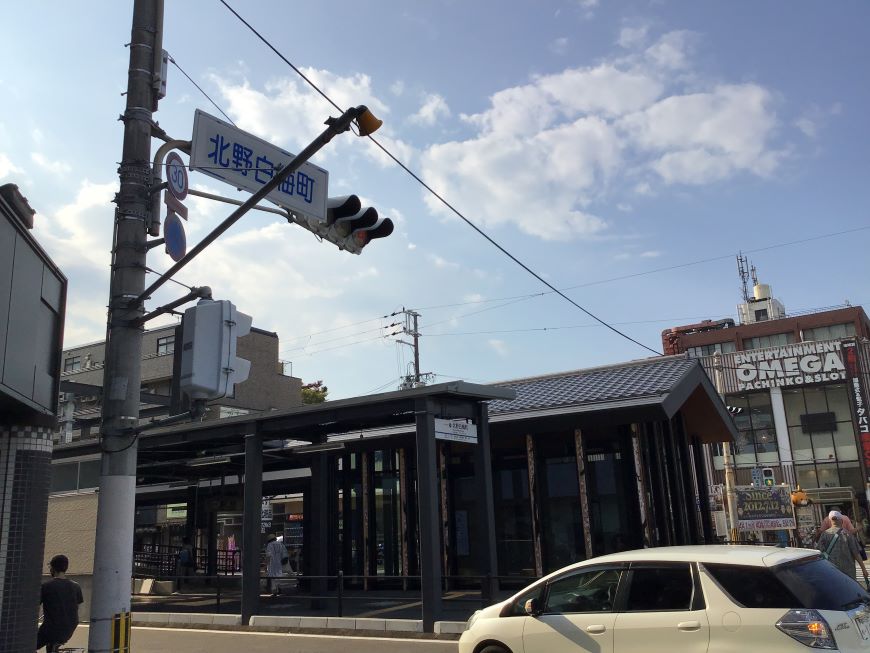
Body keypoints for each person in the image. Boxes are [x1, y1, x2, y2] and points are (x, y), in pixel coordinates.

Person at [38, 554, 83, 652]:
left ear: (53, 568)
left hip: (51, 629)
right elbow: (76, 607)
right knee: (52, 644)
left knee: (26, 644)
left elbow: (33, 606)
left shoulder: (46, 586)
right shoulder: (76, 587)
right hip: (69, 629)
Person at [817, 511, 869, 584]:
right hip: (848, 571)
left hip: (831, 570)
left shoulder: (824, 535)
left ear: (830, 521)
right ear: (841, 520)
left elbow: (819, 553)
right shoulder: (848, 534)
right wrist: (864, 570)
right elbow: (856, 554)